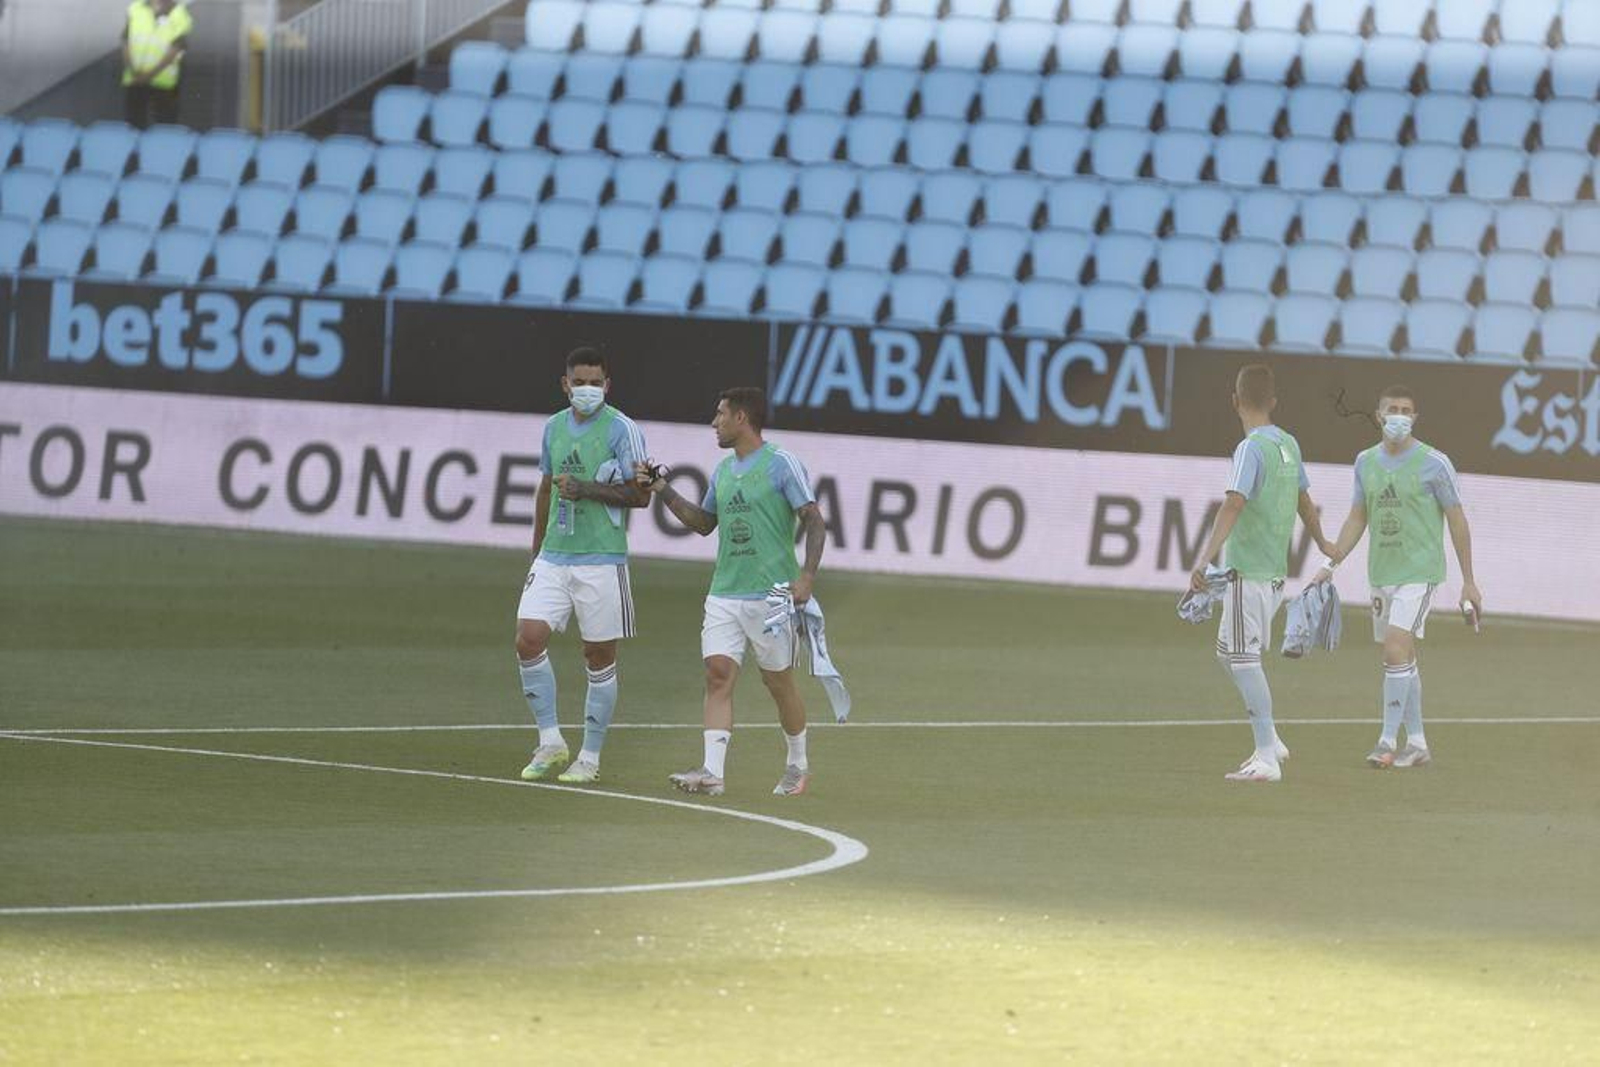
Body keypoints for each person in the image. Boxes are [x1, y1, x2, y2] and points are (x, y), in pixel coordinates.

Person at [638, 387, 827, 797]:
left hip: (773, 596)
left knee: (778, 683)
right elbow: (704, 523)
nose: (714, 422)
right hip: (724, 592)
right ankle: (712, 772)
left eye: (720, 414)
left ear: (741, 418)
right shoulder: (723, 471)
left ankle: (798, 764)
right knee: (717, 674)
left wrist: (807, 577)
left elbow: (813, 519)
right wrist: (662, 488)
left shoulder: (781, 463)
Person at [1314, 385, 1482, 769]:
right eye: (1393, 409)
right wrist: (1331, 563)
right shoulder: (1364, 462)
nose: (1399, 416)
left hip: (1420, 572)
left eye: (1407, 410)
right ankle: (1418, 743)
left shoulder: (1435, 463)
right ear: (1379, 415)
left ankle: (1386, 741)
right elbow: (1358, 516)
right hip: (1381, 572)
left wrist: (1468, 580)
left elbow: (1457, 519)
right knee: (1403, 656)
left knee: (1393, 649)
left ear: (1415, 418)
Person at [1189, 364, 1332, 783]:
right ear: (1273, 401)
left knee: (1243, 658)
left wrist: (1205, 559)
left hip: (1247, 571)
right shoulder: (1288, 443)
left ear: (1235, 401)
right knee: (1227, 652)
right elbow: (1304, 499)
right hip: (1273, 573)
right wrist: (1322, 542)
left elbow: (1234, 502)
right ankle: (1272, 740)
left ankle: (1267, 758)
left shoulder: (1249, 449)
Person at [515, 347, 650, 785]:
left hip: (602, 560)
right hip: (554, 556)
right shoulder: (553, 427)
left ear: (607, 385)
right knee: (528, 638)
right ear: (565, 384)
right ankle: (550, 740)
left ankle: (589, 757)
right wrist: (537, 549)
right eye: (580, 382)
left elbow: (641, 495)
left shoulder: (623, 429)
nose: (587, 389)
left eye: (595, 383)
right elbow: (545, 488)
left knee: (598, 655)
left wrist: (586, 488)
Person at [122, 0, 192, 130]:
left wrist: (149, 75)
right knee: (133, 125)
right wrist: (131, 69)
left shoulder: (180, 14)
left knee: (165, 127)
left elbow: (176, 49)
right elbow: (126, 40)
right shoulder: (135, 8)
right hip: (135, 79)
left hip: (163, 82)